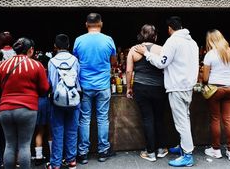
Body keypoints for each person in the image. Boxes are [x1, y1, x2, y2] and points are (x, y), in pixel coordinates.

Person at [135, 16, 199, 167]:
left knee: (181, 122)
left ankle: (187, 155)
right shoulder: (193, 43)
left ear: (170, 28)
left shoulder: (172, 41)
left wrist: (146, 54)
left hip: (176, 86)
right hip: (188, 86)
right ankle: (184, 146)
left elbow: (161, 63)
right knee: (186, 118)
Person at [0, 37, 50, 169]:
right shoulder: (36, 65)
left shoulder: (3, 65)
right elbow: (44, 88)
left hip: (5, 108)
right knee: (24, 145)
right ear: (30, 50)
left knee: (10, 144)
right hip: (28, 108)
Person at [73, 13, 117, 164]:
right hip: (103, 85)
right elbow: (113, 60)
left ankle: (83, 153)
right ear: (101, 23)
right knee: (102, 118)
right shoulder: (108, 40)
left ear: (86, 24)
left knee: (84, 119)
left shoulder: (79, 40)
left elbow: (76, 61)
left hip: (85, 85)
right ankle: (103, 151)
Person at [126, 24, 168, 162]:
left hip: (141, 88)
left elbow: (128, 71)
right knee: (159, 118)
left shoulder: (134, 50)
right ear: (155, 36)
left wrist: (128, 88)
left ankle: (150, 152)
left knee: (147, 119)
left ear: (141, 34)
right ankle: (161, 149)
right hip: (158, 88)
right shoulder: (161, 49)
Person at [200, 30, 230, 161]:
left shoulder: (210, 54)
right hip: (229, 88)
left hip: (215, 89)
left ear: (210, 40)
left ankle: (216, 150)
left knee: (215, 119)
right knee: (228, 119)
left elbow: (205, 78)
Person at [46, 34, 81, 169]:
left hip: (57, 100)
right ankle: (71, 160)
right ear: (68, 46)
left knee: (57, 131)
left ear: (55, 47)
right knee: (72, 130)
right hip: (73, 99)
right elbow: (78, 79)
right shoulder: (75, 60)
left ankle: (55, 164)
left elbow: (50, 82)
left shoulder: (52, 61)